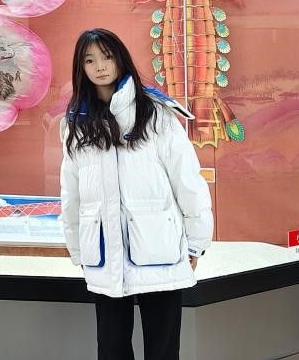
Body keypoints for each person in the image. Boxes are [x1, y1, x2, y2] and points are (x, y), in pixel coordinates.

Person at [59, 28, 213, 360]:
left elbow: (187, 180)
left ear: (120, 58)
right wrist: (78, 249)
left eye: (106, 57)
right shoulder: (76, 123)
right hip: (105, 253)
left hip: (159, 248)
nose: (100, 66)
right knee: (111, 348)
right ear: (81, 68)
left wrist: (197, 241)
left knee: (163, 350)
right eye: (90, 60)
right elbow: (71, 193)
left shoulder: (155, 113)